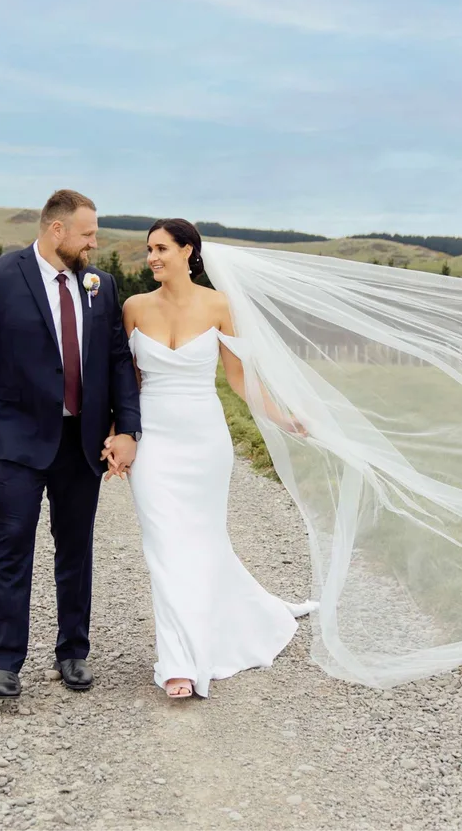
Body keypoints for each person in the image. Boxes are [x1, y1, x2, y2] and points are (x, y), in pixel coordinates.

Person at [0, 189, 141, 700]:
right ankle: (5, 662)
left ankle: (73, 653)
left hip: (82, 439)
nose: (94, 243)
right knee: (13, 543)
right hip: (17, 437)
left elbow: (116, 361)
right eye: (87, 234)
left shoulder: (100, 286)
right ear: (57, 231)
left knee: (76, 547)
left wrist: (127, 427)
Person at [110, 218, 315, 699]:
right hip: (153, 440)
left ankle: (245, 620)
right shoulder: (134, 308)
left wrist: (283, 418)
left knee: (202, 544)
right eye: (149, 250)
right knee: (163, 546)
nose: (153, 257)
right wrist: (118, 434)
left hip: (205, 440)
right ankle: (179, 662)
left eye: (161, 248)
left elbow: (240, 381)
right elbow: (127, 382)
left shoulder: (220, 305)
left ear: (188, 251)